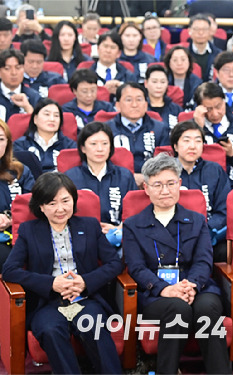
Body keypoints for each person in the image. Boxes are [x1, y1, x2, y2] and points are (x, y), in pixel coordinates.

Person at [2, 172, 124, 374]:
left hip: (86, 298)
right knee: (51, 330)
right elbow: (9, 271)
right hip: (47, 302)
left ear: (73, 201)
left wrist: (85, 281)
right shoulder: (29, 231)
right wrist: (51, 283)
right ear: (40, 206)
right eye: (51, 203)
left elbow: (114, 264)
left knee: (93, 327)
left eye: (65, 201)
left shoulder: (89, 226)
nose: (60, 209)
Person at [123, 153, 231, 375]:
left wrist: (190, 285)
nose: (165, 190)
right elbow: (136, 268)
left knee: (207, 309)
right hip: (155, 294)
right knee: (178, 309)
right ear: (146, 188)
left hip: (196, 287)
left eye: (171, 183)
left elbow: (203, 260)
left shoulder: (197, 220)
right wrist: (165, 289)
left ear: (180, 184)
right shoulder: (133, 225)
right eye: (158, 185)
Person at [170, 121, 230, 262]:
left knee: (228, 251)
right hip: (173, 236)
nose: (192, 146)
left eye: (198, 141)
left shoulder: (214, 170)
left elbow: (224, 210)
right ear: (175, 146)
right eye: (186, 140)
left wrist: (205, 230)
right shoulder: (164, 172)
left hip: (208, 234)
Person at [65, 121, 138, 233]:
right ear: (83, 148)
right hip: (81, 235)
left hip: (118, 235)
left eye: (105, 143)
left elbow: (135, 211)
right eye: (93, 144)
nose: (100, 149)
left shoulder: (125, 176)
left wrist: (118, 229)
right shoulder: (70, 177)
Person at [105, 82, 170, 184]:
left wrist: (147, 177)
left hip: (152, 182)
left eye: (139, 100)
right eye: (129, 100)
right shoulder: (106, 129)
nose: (134, 105)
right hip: (114, 181)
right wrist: (128, 177)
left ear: (146, 105)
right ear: (117, 105)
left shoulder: (160, 129)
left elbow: (165, 161)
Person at [192, 82, 233, 188]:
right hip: (201, 185)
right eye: (209, 109)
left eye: (218, 106)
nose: (215, 114)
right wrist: (198, 128)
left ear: (224, 101)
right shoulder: (190, 129)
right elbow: (185, 161)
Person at [0, 119, 34, 268]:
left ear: (7, 143)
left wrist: (10, 218)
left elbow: (35, 204)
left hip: (23, 232)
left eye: (1, 139)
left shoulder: (20, 171)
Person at [13, 98, 77, 173]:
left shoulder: (70, 146)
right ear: (35, 119)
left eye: (56, 115)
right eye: (47, 114)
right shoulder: (20, 145)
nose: (52, 119)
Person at [87, 32, 139, 96]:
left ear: (119, 53)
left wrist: (122, 90)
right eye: (105, 46)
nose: (108, 51)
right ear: (98, 49)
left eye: (113, 47)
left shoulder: (128, 75)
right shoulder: (86, 74)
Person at [0, 49, 41, 122]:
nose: (14, 73)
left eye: (18, 68)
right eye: (7, 69)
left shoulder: (34, 96)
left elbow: (40, 127)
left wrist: (28, 108)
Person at [165, 45, 203, 111]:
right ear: (169, 63)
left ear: (189, 62)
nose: (179, 63)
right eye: (175, 60)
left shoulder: (197, 82)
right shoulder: (163, 80)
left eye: (183, 59)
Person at [144, 64, 183, 130]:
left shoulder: (176, 109)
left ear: (167, 84)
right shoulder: (140, 108)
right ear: (146, 83)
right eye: (154, 82)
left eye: (162, 82)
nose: (159, 86)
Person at [188, 14, 222, 82]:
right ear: (189, 31)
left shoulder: (219, 54)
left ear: (210, 31)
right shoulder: (184, 54)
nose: (201, 33)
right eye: (197, 29)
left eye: (204, 29)